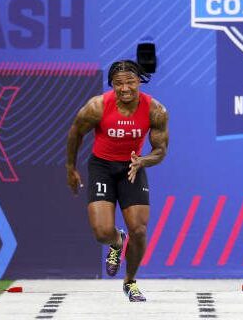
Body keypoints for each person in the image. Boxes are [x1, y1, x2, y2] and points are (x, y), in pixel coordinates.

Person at [65, 59, 169, 302]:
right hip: (102, 167)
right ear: (112, 84)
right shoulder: (97, 107)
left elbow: (160, 150)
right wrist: (71, 168)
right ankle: (117, 241)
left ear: (139, 82)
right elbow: (75, 133)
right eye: (118, 84)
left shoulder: (156, 110)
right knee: (102, 232)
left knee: (140, 230)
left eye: (130, 82)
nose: (125, 89)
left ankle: (130, 282)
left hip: (132, 167)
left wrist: (143, 161)